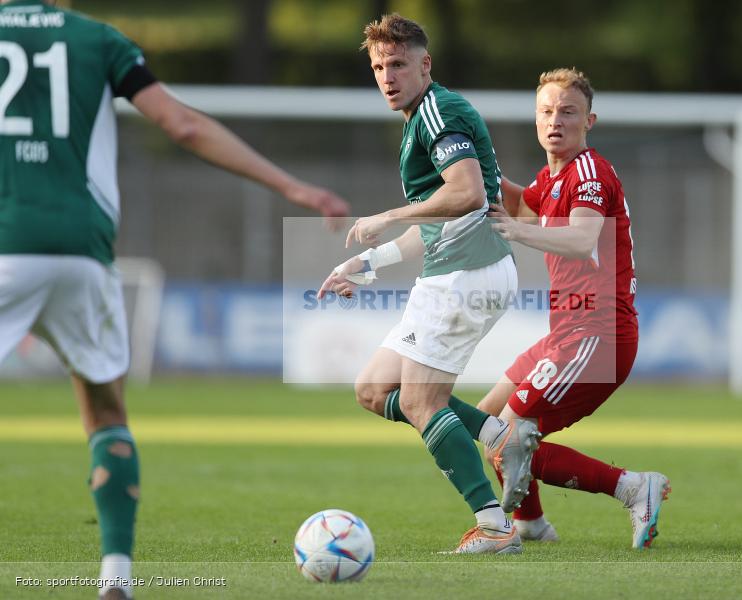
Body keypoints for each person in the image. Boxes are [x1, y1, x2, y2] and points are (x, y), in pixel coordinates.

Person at [0, 2, 349, 598]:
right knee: (105, 413)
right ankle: (116, 575)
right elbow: (182, 125)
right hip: (82, 249)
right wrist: (292, 187)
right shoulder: (97, 39)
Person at [318, 13, 537, 554]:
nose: (387, 77)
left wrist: (388, 215)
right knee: (374, 389)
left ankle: (494, 526)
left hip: (467, 272)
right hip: (455, 268)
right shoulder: (420, 118)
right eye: (378, 67)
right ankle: (498, 435)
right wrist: (365, 264)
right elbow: (439, 221)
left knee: (420, 401)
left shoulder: (438, 110)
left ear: (425, 65)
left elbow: (466, 193)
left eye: (397, 64)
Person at [479, 68, 671, 549]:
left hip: (598, 335)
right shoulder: (552, 177)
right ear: (535, 119)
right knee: (487, 421)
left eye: (568, 111)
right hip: (567, 333)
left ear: (589, 121)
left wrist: (516, 232)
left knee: (508, 436)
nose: (555, 120)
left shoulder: (589, 173)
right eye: (546, 111)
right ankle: (531, 524)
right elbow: (521, 205)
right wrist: (477, 166)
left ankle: (632, 487)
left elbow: (583, 239)